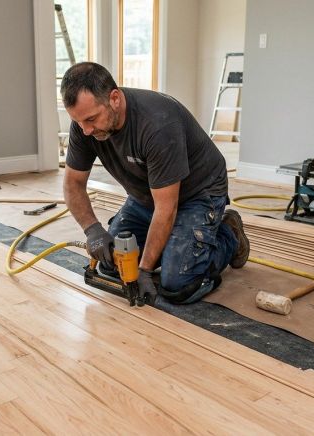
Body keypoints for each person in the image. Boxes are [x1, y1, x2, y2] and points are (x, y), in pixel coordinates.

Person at [61, 62, 249, 304]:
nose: (85, 130)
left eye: (91, 119)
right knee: (112, 264)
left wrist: (146, 269)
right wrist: (93, 230)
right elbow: (72, 184)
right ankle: (174, 246)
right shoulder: (84, 126)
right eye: (78, 122)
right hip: (147, 195)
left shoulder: (158, 124)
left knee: (178, 283)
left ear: (114, 98)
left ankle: (228, 236)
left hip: (197, 193)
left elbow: (166, 208)